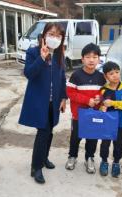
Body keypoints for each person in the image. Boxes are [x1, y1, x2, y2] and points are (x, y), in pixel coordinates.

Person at [19, 23, 67, 184]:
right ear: (44, 35)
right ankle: (36, 167)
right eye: (51, 34)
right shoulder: (33, 52)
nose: (55, 38)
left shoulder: (60, 55)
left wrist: (63, 97)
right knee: (43, 132)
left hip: (54, 102)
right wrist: (41, 57)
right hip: (39, 101)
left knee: (50, 130)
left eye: (58, 36)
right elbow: (29, 74)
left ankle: (44, 158)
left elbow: (61, 78)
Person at [65, 43, 106, 174]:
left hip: (94, 115)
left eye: (95, 56)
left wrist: (100, 99)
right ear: (82, 59)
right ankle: (72, 156)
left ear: (99, 59)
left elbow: (104, 93)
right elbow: (70, 93)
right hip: (79, 115)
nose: (91, 59)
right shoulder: (76, 75)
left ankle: (89, 158)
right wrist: (87, 100)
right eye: (88, 56)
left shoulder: (101, 77)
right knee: (75, 137)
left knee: (92, 138)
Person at [99, 61, 122, 178]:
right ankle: (104, 162)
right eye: (111, 73)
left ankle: (116, 163)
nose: (115, 75)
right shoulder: (103, 90)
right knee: (105, 144)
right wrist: (102, 107)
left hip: (121, 123)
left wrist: (113, 103)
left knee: (118, 145)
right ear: (105, 76)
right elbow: (100, 104)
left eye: (117, 72)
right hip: (107, 123)